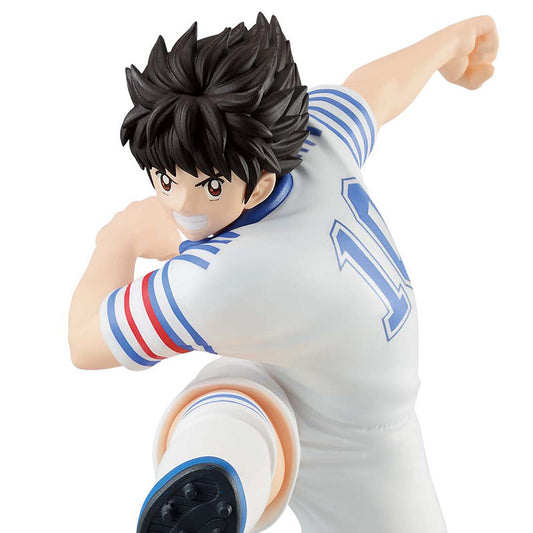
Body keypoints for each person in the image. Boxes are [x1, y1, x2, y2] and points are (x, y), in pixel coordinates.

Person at [68, 12, 498, 533]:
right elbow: (374, 90)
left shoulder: (218, 279)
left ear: (260, 186)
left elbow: (85, 342)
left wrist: (117, 239)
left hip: (360, 442)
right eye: (164, 176)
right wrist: (450, 43)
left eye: (209, 186)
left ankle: (218, 458)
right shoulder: (315, 141)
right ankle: (212, 467)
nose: (180, 202)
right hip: (342, 381)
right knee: (239, 386)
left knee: (236, 398)